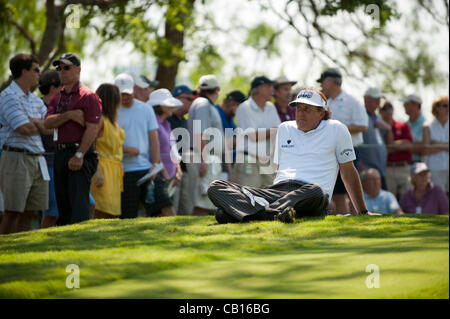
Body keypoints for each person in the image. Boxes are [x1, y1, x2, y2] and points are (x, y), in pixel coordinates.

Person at [208, 88, 377, 224]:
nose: (300, 113)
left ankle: (248, 213)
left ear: (321, 113)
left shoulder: (336, 129)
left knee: (316, 190)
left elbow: (348, 172)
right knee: (216, 187)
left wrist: (362, 211)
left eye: (307, 109)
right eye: (298, 109)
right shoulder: (285, 128)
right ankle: (275, 214)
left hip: (311, 196)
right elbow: (278, 169)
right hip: (277, 193)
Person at [44, 53, 102, 226]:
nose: (62, 71)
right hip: (60, 153)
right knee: (64, 208)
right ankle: (65, 247)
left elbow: (93, 128)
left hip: (79, 153)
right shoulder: (57, 97)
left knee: (79, 208)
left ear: (78, 70)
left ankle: (81, 246)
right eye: (59, 68)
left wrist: (79, 155)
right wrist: (69, 115)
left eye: (67, 67)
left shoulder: (88, 96)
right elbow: (47, 123)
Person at [0, 53, 50, 234]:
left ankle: (22, 248)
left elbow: (50, 128)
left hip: (37, 159)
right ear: (24, 71)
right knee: (12, 212)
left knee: (30, 212)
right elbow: (24, 128)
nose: (39, 73)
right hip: (16, 157)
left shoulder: (35, 99)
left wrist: (35, 122)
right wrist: (39, 123)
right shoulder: (8, 96)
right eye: (36, 69)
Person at [317, 67, 368, 213]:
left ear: (332, 81)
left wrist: (338, 128)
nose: (321, 86)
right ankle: (343, 221)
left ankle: (359, 217)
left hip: (349, 150)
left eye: (323, 82)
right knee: (338, 192)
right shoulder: (325, 103)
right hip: (330, 152)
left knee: (351, 189)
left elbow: (363, 126)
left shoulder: (352, 101)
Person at [114, 73, 162, 219]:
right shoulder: (112, 111)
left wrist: (156, 164)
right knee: (128, 216)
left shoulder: (146, 109)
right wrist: (126, 150)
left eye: (127, 93)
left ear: (134, 89)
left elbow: (154, 140)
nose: (125, 97)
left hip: (145, 168)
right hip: (122, 171)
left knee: (162, 209)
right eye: (121, 94)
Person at [234, 76, 281, 188]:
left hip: (268, 162)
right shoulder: (244, 108)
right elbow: (253, 136)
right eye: (269, 87)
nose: (273, 91)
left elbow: (278, 133)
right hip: (249, 160)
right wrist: (274, 131)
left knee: (270, 199)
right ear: (260, 88)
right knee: (248, 200)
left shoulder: (271, 107)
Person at [186, 74, 223, 216]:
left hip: (206, 156)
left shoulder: (203, 103)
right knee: (202, 202)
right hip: (203, 156)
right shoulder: (203, 104)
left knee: (206, 201)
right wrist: (205, 159)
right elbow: (200, 132)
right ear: (217, 90)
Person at [146, 88, 183, 217]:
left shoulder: (167, 124)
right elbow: (154, 150)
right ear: (159, 106)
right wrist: (165, 173)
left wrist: (178, 169)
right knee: (164, 212)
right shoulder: (153, 123)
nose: (172, 106)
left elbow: (173, 149)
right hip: (159, 176)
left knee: (165, 213)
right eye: (168, 104)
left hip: (171, 176)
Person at [90, 83, 125, 219]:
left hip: (114, 171)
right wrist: (97, 170)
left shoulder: (114, 123)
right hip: (102, 168)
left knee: (112, 214)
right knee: (101, 211)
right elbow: (90, 145)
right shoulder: (100, 121)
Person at [38, 70, 62, 228]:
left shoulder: (59, 107)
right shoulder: (38, 106)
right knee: (52, 212)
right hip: (46, 162)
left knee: (88, 203)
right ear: (53, 88)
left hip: (60, 160)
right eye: (62, 86)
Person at [168, 84, 196, 215]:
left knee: (186, 209)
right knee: (172, 208)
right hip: (172, 171)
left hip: (186, 170)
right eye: (189, 99)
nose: (192, 102)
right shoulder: (167, 120)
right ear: (178, 98)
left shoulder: (185, 121)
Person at [379, 102, 413, 199]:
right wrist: (399, 145)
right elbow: (384, 150)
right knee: (390, 199)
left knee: (407, 198)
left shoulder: (402, 125)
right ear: (380, 112)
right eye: (384, 108)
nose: (388, 110)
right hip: (388, 168)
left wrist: (390, 146)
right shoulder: (378, 127)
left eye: (390, 107)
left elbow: (409, 145)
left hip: (404, 167)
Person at [359, 87, 390, 189]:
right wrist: (360, 164)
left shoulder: (375, 117)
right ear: (366, 100)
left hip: (380, 171)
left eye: (379, 100)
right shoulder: (360, 115)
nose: (378, 103)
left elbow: (388, 128)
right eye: (375, 99)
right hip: (367, 171)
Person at [216, 90, 247, 181]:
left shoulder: (229, 117)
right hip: (220, 165)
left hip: (229, 165)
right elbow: (228, 143)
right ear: (233, 104)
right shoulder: (217, 114)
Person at [422, 95, 449, 195]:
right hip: (434, 169)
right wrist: (446, 146)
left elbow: (429, 147)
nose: (448, 109)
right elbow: (426, 150)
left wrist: (435, 144)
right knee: (439, 198)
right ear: (437, 107)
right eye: (445, 106)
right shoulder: (427, 125)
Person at [402, 94, 426, 162]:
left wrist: (402, 146)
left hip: (420, 164)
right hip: (405, 165)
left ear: (416, 105)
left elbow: (422, 148)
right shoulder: (405, 125)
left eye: (406, 103)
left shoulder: (426, 124)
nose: (403, 105)